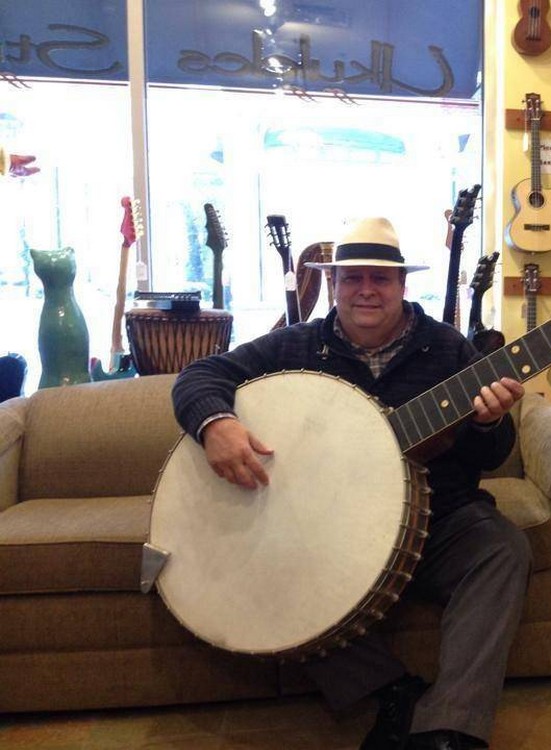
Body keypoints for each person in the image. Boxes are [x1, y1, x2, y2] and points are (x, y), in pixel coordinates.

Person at [171, 216, 531, 750]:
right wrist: (215, 423)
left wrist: (487, 423)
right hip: (329, 533)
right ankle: (391, 691)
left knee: (502, 548)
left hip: (439, 519)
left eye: (380, 278)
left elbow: (493, 456)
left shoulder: (449, 349)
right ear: (332, 284)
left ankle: (449, 728)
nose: (366, 290)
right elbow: (198, 375)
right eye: (352, 277)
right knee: (268, 570)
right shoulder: (293, 347)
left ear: (402, 285)